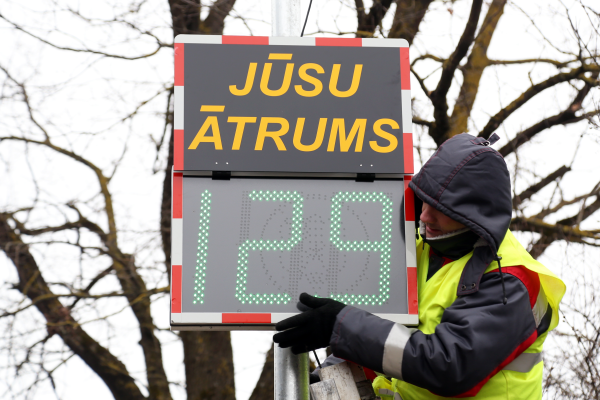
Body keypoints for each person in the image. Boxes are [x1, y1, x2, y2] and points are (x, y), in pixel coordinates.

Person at [273, 133, 566, 399]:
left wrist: (341, 328)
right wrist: (330, 374)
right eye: (423, 200)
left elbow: (449, 365)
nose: (425, 216)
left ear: (473, 215)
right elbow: (384, 334)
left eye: (440, 208)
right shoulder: (418, 252)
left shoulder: (512, 281)